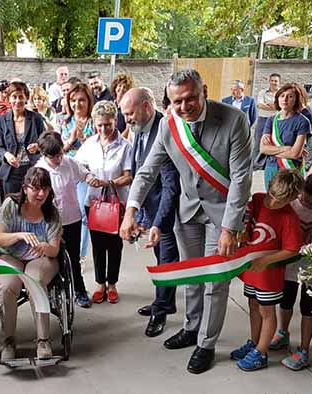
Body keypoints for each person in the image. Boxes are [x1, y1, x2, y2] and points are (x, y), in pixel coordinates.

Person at [121, 69, 252, 374]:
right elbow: (146, 171)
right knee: (190, 276)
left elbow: (242, 178)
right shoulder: (169, 125)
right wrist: (131, 210)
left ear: (203, 91)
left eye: (191, 98)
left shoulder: (233, 120)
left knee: (214, 283)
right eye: (176, 101)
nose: (184, 106)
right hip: (189, 212)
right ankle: (192, 328)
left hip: (222, 215)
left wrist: (231, 227)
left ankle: (206, 343)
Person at [120, 88, 180, 337]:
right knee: (160, 258)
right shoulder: (141, 130)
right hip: (152, 210)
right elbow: (140, 174)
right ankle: (163, 301)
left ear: (146, 107)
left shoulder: (164, 131)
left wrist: (158, 222)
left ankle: (162, 311)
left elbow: (170, 186)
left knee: (167, 262)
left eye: (130, 113)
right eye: (124, 115)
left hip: (168, 213)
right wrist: (141, 215)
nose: (127, 120)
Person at [232, 169, 304, 371]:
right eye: (271, 195)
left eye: (279, 200)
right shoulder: (257, 199)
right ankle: (254, 343)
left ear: (291, 199)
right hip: (252, 270)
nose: (272, 202)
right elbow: (247, 223)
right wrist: (243, 233)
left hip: (269, 275)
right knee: (253, 305)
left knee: (266, 311)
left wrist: (267, 261)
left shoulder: (289, 218)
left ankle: (261, 352)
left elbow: (292, 249)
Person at [269, 173, 312, 371]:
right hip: (289, 263)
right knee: (286, 300)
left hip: (311, 267)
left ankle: (304, 349)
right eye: (304, 199)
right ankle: (282, 333)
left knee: (308, 307)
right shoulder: (292, 204)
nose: (307, 204)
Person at [0, 167, 62, 361]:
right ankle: (8, 339)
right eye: (35, 188)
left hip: (40, 258)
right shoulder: (11, 205)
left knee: (34, 280)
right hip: (11, 255)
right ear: (25, 188)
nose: (40, 194)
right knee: (7, 285)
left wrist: (44, 247)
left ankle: (43, 340)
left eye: (45, 189)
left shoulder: (52, 214)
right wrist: (19, 235)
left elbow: (55, 250)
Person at [76, 100, 132, 304]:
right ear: (94, 123)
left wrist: (108, 182)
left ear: (115, 121)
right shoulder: (89, 144)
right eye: (99, 125)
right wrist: (89, 177)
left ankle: (113, 284)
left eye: (108, 124)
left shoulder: (125, 146)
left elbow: (129, 175)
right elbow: (79, 167)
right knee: (98, 245)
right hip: (94, 202)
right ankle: (100, 283)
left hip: (117, 203)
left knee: (115, 245)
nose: (104, 129)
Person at [35, 132, 93, 308]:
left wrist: (91, 179)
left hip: (72, 218)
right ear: (44, 155)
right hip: (51, 222)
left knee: (73, 258)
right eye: (54, 157)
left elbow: (85, 174)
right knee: (53, 258)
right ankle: (54, 292)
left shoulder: (69, 162)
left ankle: (80, 290)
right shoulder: (40, 170)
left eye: (60, 154)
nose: (59, 159)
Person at [60, 82, 94, 270]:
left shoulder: (94, 121)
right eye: (73, 100)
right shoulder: (64, 121)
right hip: (66, 171)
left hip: (85, 172)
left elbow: (97, 146)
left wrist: (82, 138)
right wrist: (72, 138)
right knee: (64, 212)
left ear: (88, 101)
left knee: (82, 214)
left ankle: (80, 255)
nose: (77, 104)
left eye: (81, 100)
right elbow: (59, 149)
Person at [260, 83, 312, 189]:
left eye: (290, 96)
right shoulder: (271, 120)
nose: (285, 99)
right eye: (282, 96)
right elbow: (263, 149)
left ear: (296, 100)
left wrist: (273, 150)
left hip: (290, 170)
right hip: (271, 168)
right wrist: (287, 148)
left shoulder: (302, 121)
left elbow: (295, 154)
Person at [0, 81, 45, 195]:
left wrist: (37, 146)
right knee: (12, 206)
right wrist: (7, 155)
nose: (17, 101)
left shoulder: (35, 118)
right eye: (14, 97)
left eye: (21, 97)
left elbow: (44, 142)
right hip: (11, 170)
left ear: (26, 98)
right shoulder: (2, 120)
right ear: (8, 99)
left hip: (32, 168)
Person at [254, 73, 281, 171]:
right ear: (269, 81)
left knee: (274, 142)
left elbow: (281, 106)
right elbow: (260, 105)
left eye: (276, 81)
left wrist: (270, 105)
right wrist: (274, 106)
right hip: (263, 119)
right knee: (258, 141)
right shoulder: (262, 92)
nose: (274, 83)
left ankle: (270, 164)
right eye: (272, 80)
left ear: (279, 82)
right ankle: (257, 165)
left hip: (276, 120)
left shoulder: (282, 93)